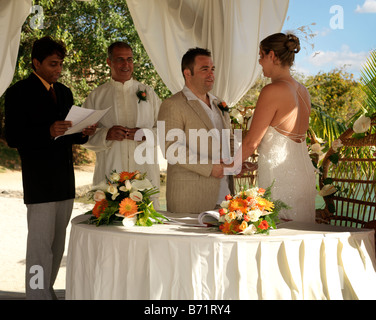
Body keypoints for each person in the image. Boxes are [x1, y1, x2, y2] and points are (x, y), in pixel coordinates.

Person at [4, 36, 96, 299]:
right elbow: (13, 136)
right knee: (39, 247)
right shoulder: (18, 93)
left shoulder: (65, 92)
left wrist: (85, 131)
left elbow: (71, 134)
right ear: (36, 62)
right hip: (40, 182)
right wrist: (47, 131)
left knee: (57, 246)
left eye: (60, 64)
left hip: (65, 182)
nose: (58, 69)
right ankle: (37, 296)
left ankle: (46, 292)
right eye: (53, 64)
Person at [235, 33, 316, 223]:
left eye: (261, 56)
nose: (260, 62)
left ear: (272, 56)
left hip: (279, 180)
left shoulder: (272, 90)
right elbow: (289, 141)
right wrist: (254, 164)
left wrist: (231, 166)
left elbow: (251, 142)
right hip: (303, 176)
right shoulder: (303, 91)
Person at [83, 42, 161, 208]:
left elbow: (166, 129)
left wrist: (146, 134)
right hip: (111, 171)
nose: (126, 64)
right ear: (109, 62)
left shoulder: (149, 93)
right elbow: (83, 136)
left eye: (129, 59)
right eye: (120, 59)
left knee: (146, 223)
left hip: (144, 170)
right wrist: (106, 134)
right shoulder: (97, 96)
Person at [158, 48, 234, 214]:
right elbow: (171, 148)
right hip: (190, 197)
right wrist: (209, 168)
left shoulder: (219, 104)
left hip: (226, 197)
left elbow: (229, 140)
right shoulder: (172, 104)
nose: (211, 74)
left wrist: (237, 162)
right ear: (187, 73)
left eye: (212, 69)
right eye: (204, 69)